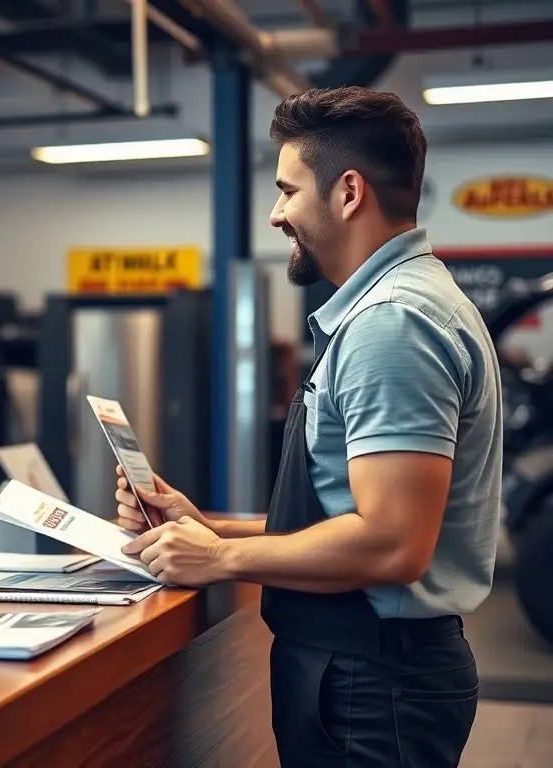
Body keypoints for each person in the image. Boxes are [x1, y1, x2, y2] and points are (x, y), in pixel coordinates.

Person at [114, 87, 501, 768]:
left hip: (374, 684)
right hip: (364, 672)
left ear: (348, 193)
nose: (275, 213)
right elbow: (344, 516)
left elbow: (389, 546)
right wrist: (207, 525)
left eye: (288, 190)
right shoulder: (391, 309)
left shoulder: (394, 324)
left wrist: (222, 560)